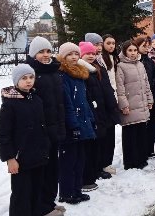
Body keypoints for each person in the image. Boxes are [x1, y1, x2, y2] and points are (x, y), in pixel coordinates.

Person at [0, 64, 52, 216]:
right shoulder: (10, 104)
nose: (28, 81)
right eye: (24, 78)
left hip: (38, 156)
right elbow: (2, 134)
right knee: (21, 196)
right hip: (21, 159)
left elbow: (41, 127)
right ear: (16, 81)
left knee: (36, 192)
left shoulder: (36, 99)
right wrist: (10, 158)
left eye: (31, 77)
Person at [26, 36, 66, 216]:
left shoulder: (55, 71)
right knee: (42, 170)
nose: (45, 55)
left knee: (53, 168)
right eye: (41, 52)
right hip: (40, 131)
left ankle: (49, 202)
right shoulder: (31, 73)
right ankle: (41, 207)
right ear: (33, 54)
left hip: (56, 126)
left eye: (48, 51)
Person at [57, 42, 96, 205]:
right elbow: (67, 104)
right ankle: (66, 193)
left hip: (83, 122)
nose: (73, 57)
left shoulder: (79, 74)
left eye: (75, 54)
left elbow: (84, 101)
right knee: (69, 161)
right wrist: (73, 126)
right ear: (63, 57)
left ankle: (77, 189)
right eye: (69, 55)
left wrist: (91, 120)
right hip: (71, 126)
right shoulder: (63, 76)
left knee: (80, 159)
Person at [79, 42, 118, 192]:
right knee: (95, 143)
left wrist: (112, 105)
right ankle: (94, 169)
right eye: (87, 53)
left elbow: (107, 88)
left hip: (103, 109)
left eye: (93, 53)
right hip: (93, 111)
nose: (91, 55)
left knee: (103, 140)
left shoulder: (97, 68)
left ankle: (99, 167)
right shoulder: (82, 70)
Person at [116, 40, 154, 170]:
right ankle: (130, 162)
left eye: (135, 50)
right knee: (130, 135)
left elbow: (146, 85)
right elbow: (119, 88)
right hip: (130, 106)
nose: (133, 53)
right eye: (130, 51)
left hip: (141, 104)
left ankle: (141, 159)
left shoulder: (140, 65)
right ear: (124, 52)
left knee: (141, 134)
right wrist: (124, 105)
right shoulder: (120, 66)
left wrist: (149, 100)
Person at [134, 37, 155, 158]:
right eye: (143, 46)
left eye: (148, 46)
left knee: (151, 123)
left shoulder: (149, 61)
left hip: (150, 96)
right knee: (141, 125)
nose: (146, 49)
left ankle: (149, 149)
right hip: (138, 97)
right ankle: (141, 150)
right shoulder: (137, 61)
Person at [99, 34, 119, 176]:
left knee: (111, 134)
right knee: (105, 135)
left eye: (113, 43)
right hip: (106, 99)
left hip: (114, 97)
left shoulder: (114, 58)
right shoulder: (101, 60)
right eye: (108, 43)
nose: (111, 46)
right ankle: (103, 163)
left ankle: (107, 162)